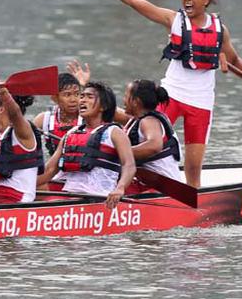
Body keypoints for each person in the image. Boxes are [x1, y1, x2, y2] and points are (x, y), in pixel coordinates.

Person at [91, 0, 242, 188]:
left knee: (192, 168)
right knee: (145, 141)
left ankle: (193, 202)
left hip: (201, 102)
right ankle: (123, 178)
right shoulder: (174, 20)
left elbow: (234, 59)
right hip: (171, 95)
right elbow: (135, 1)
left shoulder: (220, 29)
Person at [37, 81, 135, 209]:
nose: (82, 101)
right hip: (69, 194)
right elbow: (49, 170)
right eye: (82, 96)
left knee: (48, 203)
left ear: (103, 106)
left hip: (99, 197)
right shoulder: (70, 133)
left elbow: (129, 165)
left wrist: (120, 189)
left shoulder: (114, 132)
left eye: (89, 97)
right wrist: (22, 185)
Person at [122, 79, 184, 185]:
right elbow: (108, 111)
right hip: (148, 181)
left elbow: (155, 145)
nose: (123, 100)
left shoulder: (149, 121)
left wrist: (119, 152)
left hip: (164, 187)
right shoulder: (136, 119)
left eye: (126, 96)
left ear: (136, 102)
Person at [33, 71, 84, 156]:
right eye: (67, 95)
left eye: (77, 94)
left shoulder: (89, 116)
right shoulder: (43, 119)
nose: (73, 100)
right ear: (54, 98)